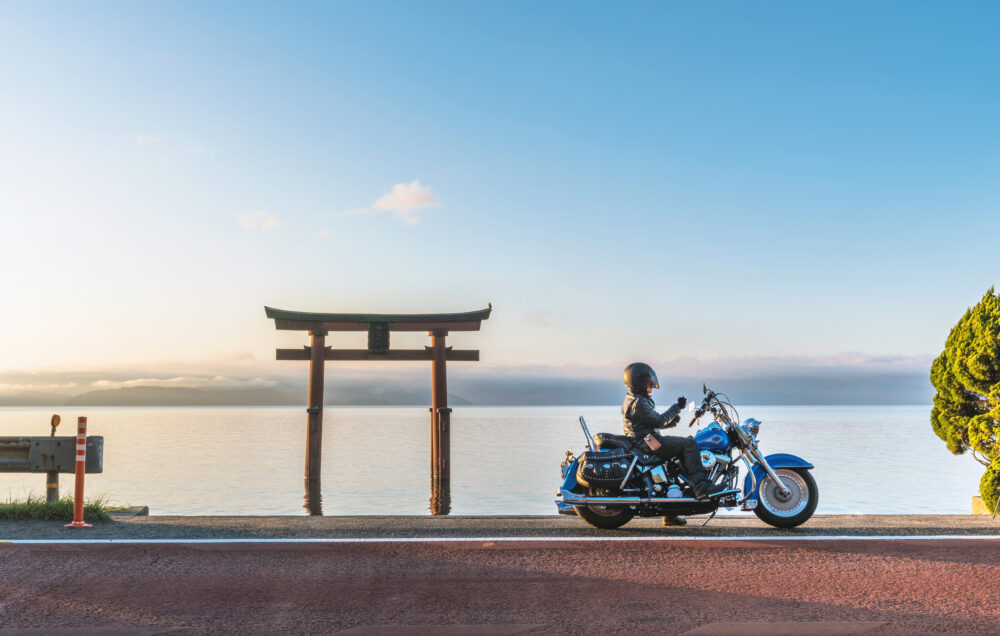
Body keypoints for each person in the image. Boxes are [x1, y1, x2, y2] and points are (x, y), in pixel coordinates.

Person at [621, 362, 727, 522]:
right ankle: (701, 488)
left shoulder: (636, 399)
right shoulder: (638, 402)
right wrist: (677, 407)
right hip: (647, 442)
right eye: (648, 382)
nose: (651, 385)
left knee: (677, 457)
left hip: (646, 438)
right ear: (638, 382)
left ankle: (670, 514)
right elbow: (657, 420)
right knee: (689, 444)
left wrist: (671, 421)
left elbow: (650, 422)